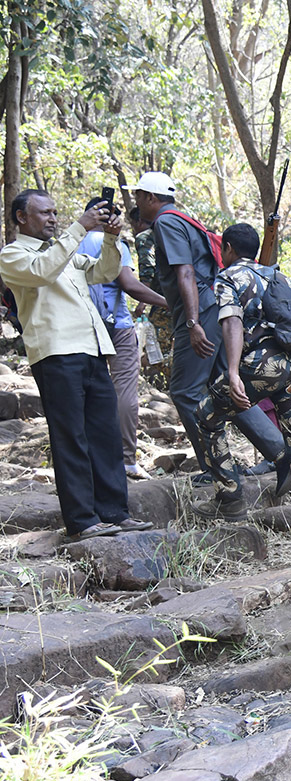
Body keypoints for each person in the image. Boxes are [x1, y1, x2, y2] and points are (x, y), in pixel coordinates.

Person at [0, 189, 151, 538]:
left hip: (93, 349)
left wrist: (111, 240)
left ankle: (114, 512)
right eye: (44, 213)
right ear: (22, 217)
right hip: (55, 353)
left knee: (105, 434)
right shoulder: (13, 254)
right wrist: (78, 228)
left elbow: (104, 272)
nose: (53, 218)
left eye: (55, 212)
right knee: (71, 437)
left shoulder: (66, 251)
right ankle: (82, 521)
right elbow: (42, 272)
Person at [125, 172, 288, 487]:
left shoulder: (167, 223)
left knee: (185, 392)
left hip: (200, 314)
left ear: (149, 197)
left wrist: (192, 322)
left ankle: (218, 469)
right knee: (225, 387)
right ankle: (281, 453)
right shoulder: (185, 220)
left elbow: (185, 273)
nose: (137, 203)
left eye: (139, 196)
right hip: (212, 308)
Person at [191, 224, 291, 562]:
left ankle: (230, 498)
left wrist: (231, 372)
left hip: (260, 364)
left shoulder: (229, 277)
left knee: (207, 415)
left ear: (226, 248)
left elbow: (231, 322)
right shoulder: (278, 277)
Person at [78, 197, 167, 480]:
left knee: (88, 391)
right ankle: (126, 459)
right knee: (125, 390)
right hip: (117, 325)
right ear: (113, 219)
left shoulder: (71, 242)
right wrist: (170, 303)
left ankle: (91, 458)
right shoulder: (114, 244)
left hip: (83, 324)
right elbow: (128, 284)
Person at [129, 207, 172, 391]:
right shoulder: (169, 231)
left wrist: (142, 302)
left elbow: (147, 270)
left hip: (163, 299)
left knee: (156, 348)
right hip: (185, 297)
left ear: (138, 222)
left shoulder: (144, 237)